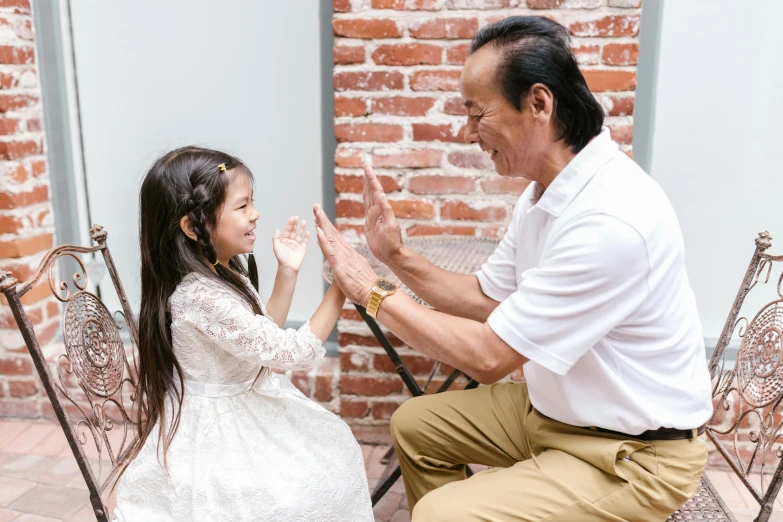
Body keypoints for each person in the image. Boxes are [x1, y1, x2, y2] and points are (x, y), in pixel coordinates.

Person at [313, 15, 713, 522]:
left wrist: (371, 289)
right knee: (416, 424)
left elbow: (488, 358)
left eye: (477, 113)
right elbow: (485, 297)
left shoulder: (612, 220)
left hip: (634, 454)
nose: (468, 133)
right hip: (558, 412)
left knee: (443, 514)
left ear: (539, 104)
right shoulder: (545, 192)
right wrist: (395, 255)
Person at [113, 146, 373, 522]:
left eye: (253, 202)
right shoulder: (199, 296)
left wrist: (287, 272)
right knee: (309, 481)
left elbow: (261, 339)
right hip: (216, 431)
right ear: (192, 226)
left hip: (242, 403)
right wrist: (344, 284)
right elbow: (288, 354)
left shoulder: (221, 269)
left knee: (331, 448)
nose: (256, 214)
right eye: (242, 206)